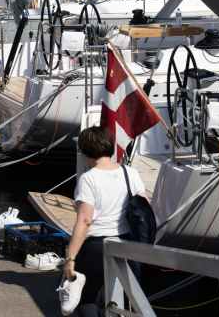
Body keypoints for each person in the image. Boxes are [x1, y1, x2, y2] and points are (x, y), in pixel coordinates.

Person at [61, 127, 145, 317]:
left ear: (85, 151)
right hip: (127, 243)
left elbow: (85, 219)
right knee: (126, 300)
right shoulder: (130, 173)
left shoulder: (89, 178)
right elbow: (143, 206)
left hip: (97, 246)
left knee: (85, 297)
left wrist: (70, 257)